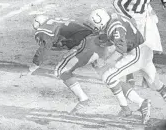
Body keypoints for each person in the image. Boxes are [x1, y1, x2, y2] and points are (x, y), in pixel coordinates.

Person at [22, 15, 151, 124]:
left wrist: (33, 67)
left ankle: (84, 100)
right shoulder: (57, 20)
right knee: (106, 76)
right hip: (99, 41)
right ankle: (137, 103)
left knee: (61, 70)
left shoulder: (43, 30)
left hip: (87, 44)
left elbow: (45, 47)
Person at [86, 8, 166, 123]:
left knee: (108, 77)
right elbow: (125, 31)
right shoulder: (114, 17)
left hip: (136, 53)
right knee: (155, 84)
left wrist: (105, 61)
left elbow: (120, 50)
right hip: (145, 49)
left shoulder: (114, 27)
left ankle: (136, 105)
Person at [113, 0, 166, 86]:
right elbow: (117, 3)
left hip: (146, 17)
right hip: (131, 18)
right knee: (131, 48)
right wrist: (129, 19)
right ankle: (129, 75)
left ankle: (147, 77)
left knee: (150, 46)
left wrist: (165, 2)